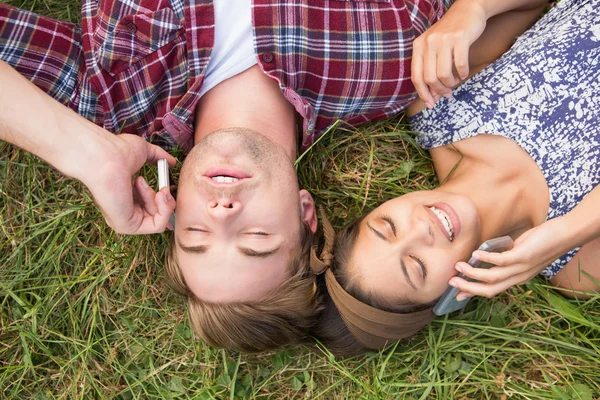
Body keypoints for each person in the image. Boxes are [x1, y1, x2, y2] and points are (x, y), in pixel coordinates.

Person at [0, 0, 546, 351]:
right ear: (306, 212)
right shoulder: (395, 72)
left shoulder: (108, 99)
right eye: (255, 239)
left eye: (195, 235)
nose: (222, 214)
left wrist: (86, 153)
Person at [312, 0, 600, 356]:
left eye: (388, 227)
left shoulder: (439, 106)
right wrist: (571, 230)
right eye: (417, 267)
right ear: (455, 294)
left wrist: (475, 9)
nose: (420, 229)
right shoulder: (577, 266)